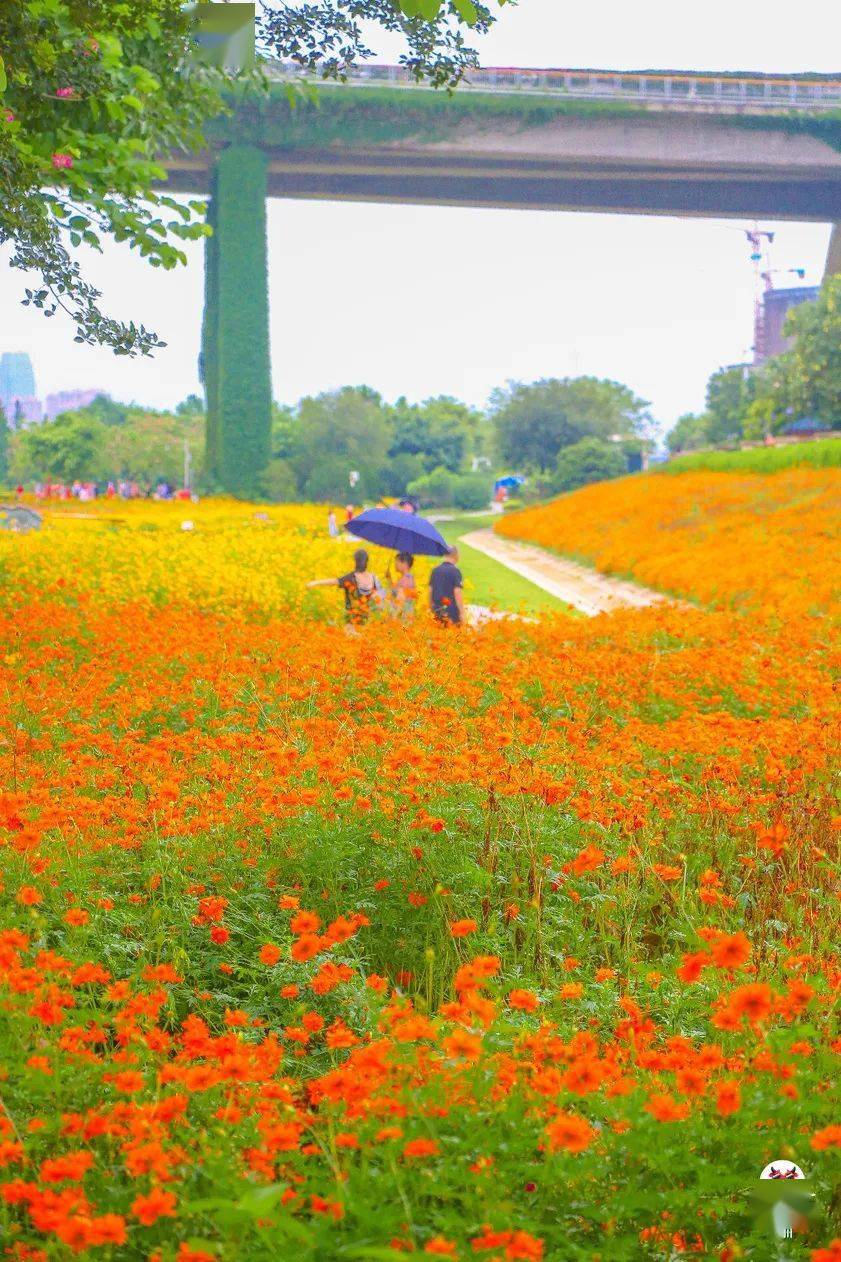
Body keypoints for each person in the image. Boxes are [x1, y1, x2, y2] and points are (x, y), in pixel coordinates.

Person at [306, 548, 383, 625]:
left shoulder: (351, 577)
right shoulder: (373, 577)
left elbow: (334, 581)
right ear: (367, 561)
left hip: (351, 619)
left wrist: (315, 582)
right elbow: (378, 598)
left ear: (355, 561)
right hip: (366, 619)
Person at [430, 546, 465, 626]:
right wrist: (462, 613)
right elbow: (457, 592)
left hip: (437, 610)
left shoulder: (435, 570)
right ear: (456, 556)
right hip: (452, 613)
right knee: (452, 637)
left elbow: (430, 590)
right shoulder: (455, 571)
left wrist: (431, 607)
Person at [388, 551, 417, 618]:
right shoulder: (408, 577)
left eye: (397, 561)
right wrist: (389, 580)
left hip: (403, 616)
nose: (395, 564)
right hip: (406, 614)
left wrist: (392, 617)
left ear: (405, 564)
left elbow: (400, 600)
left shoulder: (406, 579)